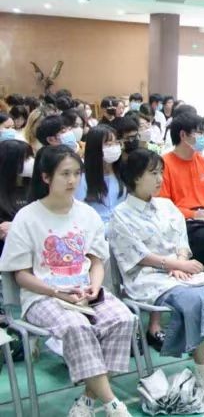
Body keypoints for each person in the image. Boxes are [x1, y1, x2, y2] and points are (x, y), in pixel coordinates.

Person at [0, 145, 133, 417]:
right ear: (46, 177)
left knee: (124, 318)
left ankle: (88, 399)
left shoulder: (87, 214)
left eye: (76, 173)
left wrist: (95, 285)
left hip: (84, 292)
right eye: (65, 174)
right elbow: (21, 275)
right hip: (43, 297)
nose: (72, 180)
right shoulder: (27, 218)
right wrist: (56, 292)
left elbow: (97, 261)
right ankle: (113, 405)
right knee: (76, 326)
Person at [109, 149, 204, 408]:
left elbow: (181, 240)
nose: (160, 179)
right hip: (149, 278)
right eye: (153, 173)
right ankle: (202, 373)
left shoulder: (166, 206)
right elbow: (138, 256)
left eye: (160, 172)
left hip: (180, 271)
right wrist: (173, 264)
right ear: (135, 177)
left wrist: (181, 260)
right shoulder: (120, 215)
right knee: (195, 301)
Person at [159, 113, 204, 270]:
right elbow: (164, 205)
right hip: (182, 220)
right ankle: (198, 273)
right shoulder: (164, 164)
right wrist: (193, 214)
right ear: (183, 135)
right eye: (199, 133)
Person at [75, 125, 127, 226]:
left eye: (116, 143)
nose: (114, 147)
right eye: (108, 144)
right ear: (95, 148)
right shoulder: (82, 179)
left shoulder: (122, 172)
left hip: (123, 228)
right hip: (95, 230)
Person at [0, 140, 33, 255]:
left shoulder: (35, 187)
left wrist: (16, 226)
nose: (31, 162)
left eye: (31, 157)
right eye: (26, 159)